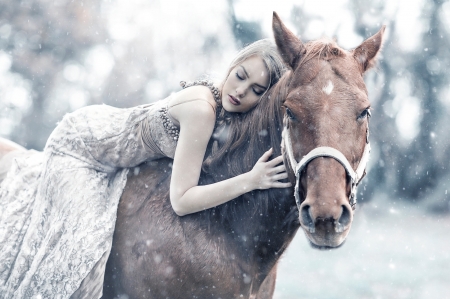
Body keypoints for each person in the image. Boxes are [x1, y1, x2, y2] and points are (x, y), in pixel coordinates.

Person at [0, 39, 289, 298]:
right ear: (233, 65)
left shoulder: (228, 109)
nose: (240, 91)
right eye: (240, 76)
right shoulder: (202, 111)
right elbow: (182, 200)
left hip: (118, 159)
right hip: (82, 148)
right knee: (82, 250)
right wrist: (250, 181)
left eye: (255, 90)